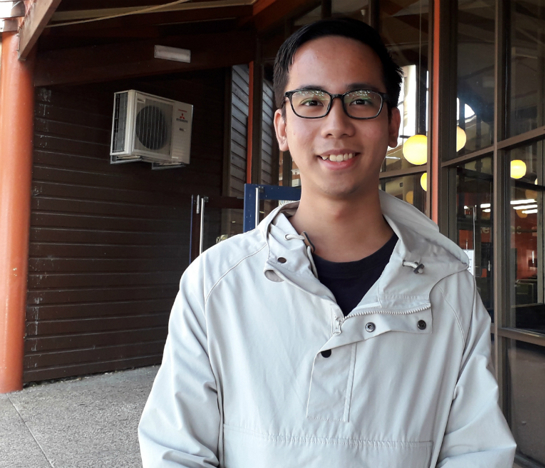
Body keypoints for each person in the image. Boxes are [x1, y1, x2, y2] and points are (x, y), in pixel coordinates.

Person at [138, 17, 516, 467]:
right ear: (282, 127)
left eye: (361, 100)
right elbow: (176, 452)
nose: (336, 124)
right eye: (312, 101)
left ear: (392, 125)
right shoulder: (216, 282)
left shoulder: (449, 289)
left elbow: (477, 453)